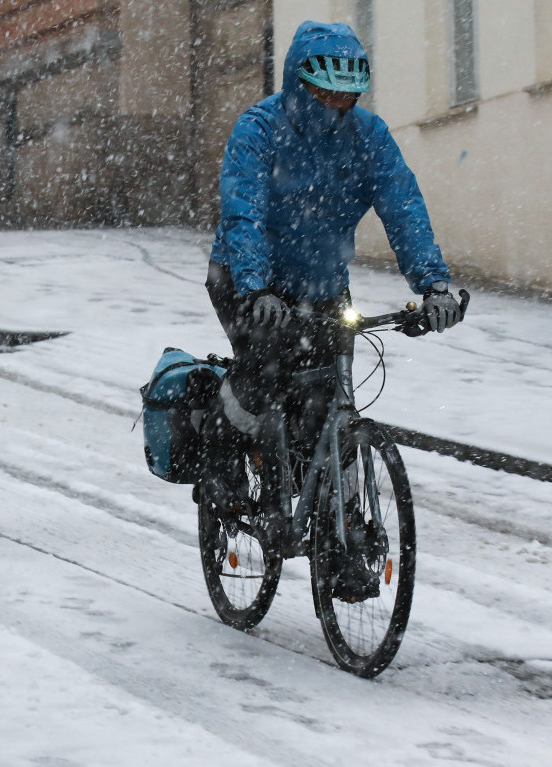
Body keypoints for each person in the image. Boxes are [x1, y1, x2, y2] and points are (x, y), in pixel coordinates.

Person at [204, 21, 461, 598]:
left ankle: (340, 545)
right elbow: (242, 211)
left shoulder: (367, 136)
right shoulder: (260, 130)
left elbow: (403, 205)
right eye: (325, 94)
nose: (337, 106)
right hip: (248, 281)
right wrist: (253, 288)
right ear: (300, 86)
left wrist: (433, 285)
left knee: (329, 407)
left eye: (347, 96)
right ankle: (223, 460)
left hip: (322, 289)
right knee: (264, 372)